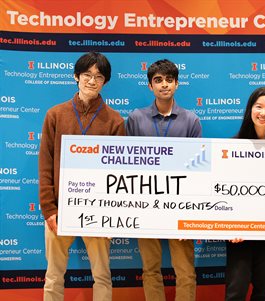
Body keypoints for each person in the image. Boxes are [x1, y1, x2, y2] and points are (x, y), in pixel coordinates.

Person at [39, 51, 125, 301]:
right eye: (87, 75)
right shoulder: (55, 115)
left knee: (102, 275)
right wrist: (49, 209)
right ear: (76, 76)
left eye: (98, 76)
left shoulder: (115, 121)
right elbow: (45, 163)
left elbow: (118, 175)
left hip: (98, 212)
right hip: (60, 211)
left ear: (105, 82)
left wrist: (111, 215)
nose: (91, 81)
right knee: (53, 276)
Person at [126, 59, 202, 301]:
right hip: (145, 205)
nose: (164, 85)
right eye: (158, 80)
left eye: (169, 80)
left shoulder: (191, 120)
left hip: (180, 207)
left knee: (186, 272)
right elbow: (126, 164)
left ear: (177, 84)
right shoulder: (136, 119)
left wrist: (188, 211)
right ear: (150, 86)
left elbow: (196, 170)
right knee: (150, 270)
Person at [225, 87, 265, 301]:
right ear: (250, 110)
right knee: (237, 290)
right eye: (259, 106)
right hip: (240, 231)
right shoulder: (233, 146)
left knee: (263, 289)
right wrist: (230, 226)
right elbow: (224, 190)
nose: (263, 112)